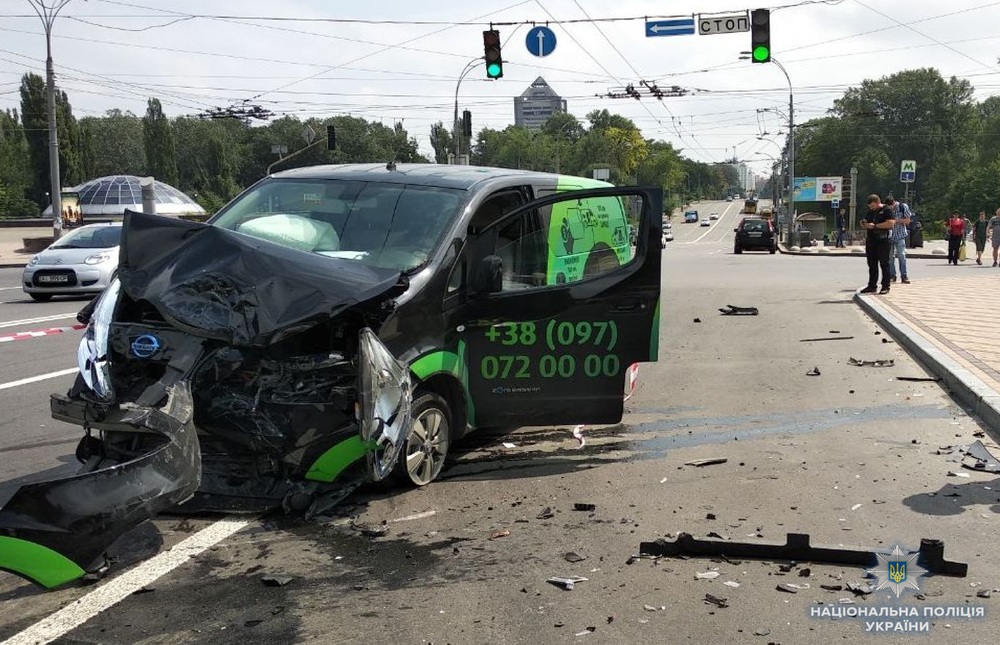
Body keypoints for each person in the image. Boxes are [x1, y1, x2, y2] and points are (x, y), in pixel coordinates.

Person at [860, 194, 895, 294]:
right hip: (871, 240)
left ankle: (885, 286)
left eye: (872, 206)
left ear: (878, 202)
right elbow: (865, 222)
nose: (871, 208)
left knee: (884, 264)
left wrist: (875, 226)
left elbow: (891, 223)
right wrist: (864, 223)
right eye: (869, 206)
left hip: (883, 240)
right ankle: (872, 285)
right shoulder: (870, 212)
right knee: (872, 264)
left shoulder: (887, 210)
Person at [885, 196, 910, 283]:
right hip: (889, 236)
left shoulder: (903, 207)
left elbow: (907, 221)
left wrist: (896, 220)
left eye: (891, 207)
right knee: (890, 258)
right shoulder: (886, 209)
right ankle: (892, 276)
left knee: (901, 256)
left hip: (900, 235)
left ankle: (904, 276)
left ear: (894, 203)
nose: (890, 209)